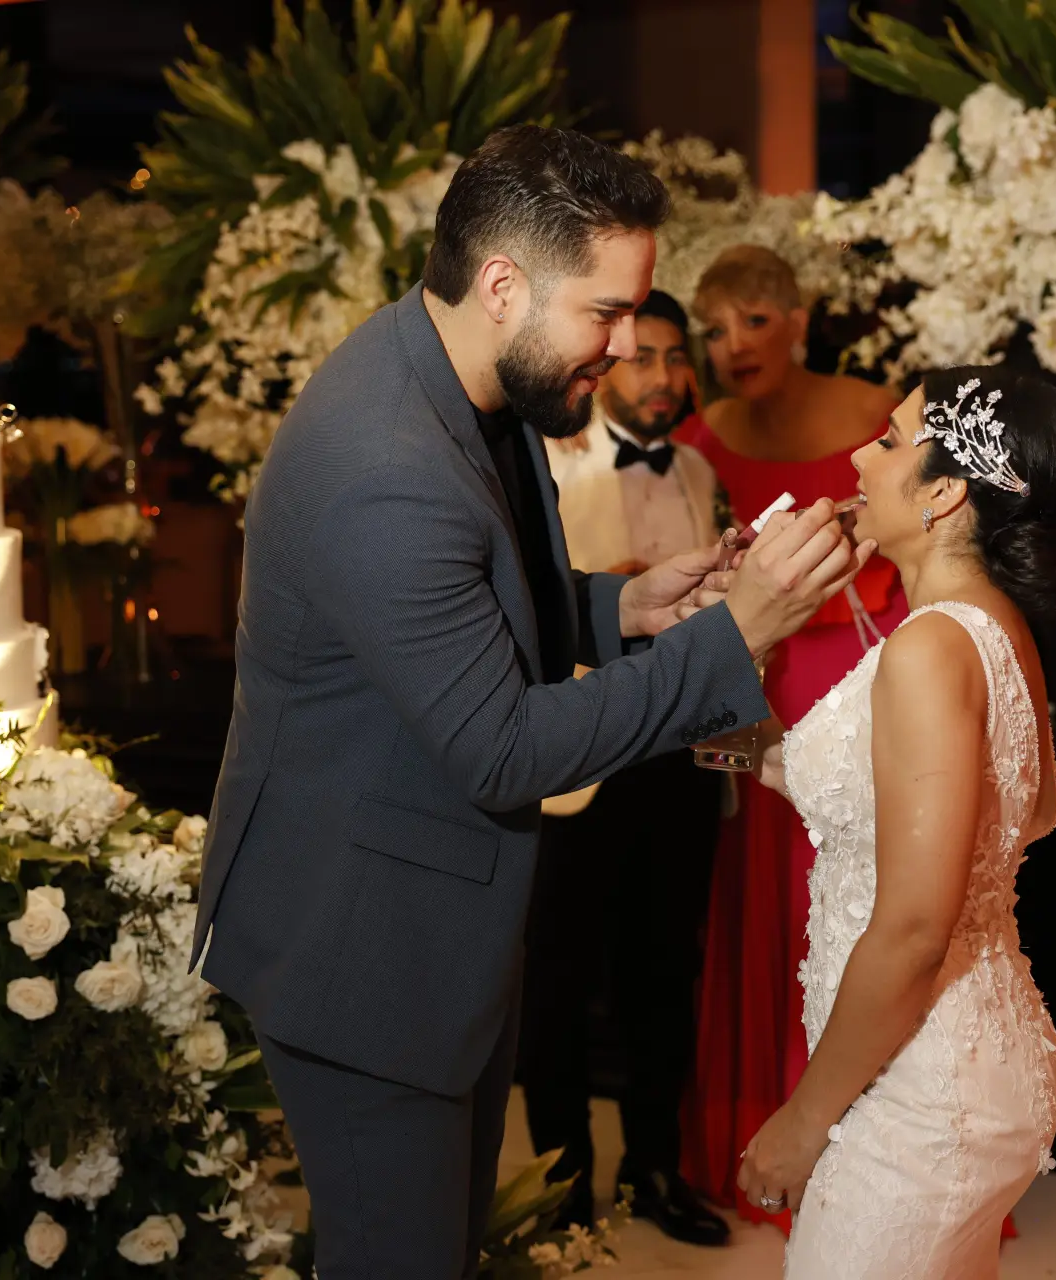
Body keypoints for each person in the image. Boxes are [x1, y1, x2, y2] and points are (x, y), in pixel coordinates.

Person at [189, 124, 875, 1279]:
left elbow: (479, 599)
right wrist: (735, 632)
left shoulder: (463, 379)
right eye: (605, 312)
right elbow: (503, 746)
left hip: (427, 920)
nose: (624, 346)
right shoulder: (386, 465)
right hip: (363, 947)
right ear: (503, 284)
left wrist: (623, 608)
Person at [738, 365, 1056, 1277]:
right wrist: (724, 653)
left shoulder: (931, 646)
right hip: (979, 1054)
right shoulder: (998, 628)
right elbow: (1029, 811)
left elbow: (913, 928)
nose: (861, 453)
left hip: (918, 1092)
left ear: (944, 492)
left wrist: (802, 1121)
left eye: (891, 441)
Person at [677, 244, 913, 1227]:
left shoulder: (880, 417)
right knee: (761, 894)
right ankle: (758, 1129)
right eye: (716, 329)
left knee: (864, 897)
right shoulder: (700, 435)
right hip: (759, 691)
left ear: (801, 319)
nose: (733, 345)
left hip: (867, 679)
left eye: (754, 321)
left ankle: (873, 1145)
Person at [521, 289, 730, 1247]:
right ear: (605, 359)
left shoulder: (694, 466)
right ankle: (560, 1186)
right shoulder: (546, 460)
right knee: (556, 983)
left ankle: (655, 1169)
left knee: (662, 974)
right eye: (642, 356)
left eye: (675, 357)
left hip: (677, 757)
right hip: (577, 758)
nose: (662, 377)